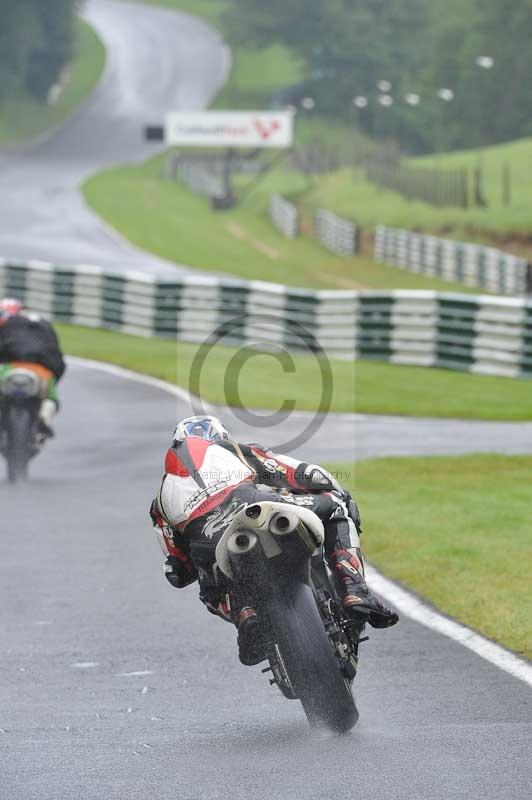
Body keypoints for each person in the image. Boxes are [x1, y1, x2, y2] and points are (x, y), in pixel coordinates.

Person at [150, 415, 398, 665]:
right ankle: (355, 590)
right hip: (252, 505)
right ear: (218, 436)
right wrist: (329, 487)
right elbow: (302, 473)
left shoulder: (160, 502)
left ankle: (246, 615)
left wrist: (196, 562)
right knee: (336, 506)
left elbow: (178, 570)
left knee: (210, 584)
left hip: (206, 540)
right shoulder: (232, 450)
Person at [0, 298, 66, 437]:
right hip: (43, 369)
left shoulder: (9, 326)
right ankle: (45, 417)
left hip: (11, 366)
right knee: (50, 397)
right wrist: (53, 377)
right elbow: (58, 358)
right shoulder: (45, 326)